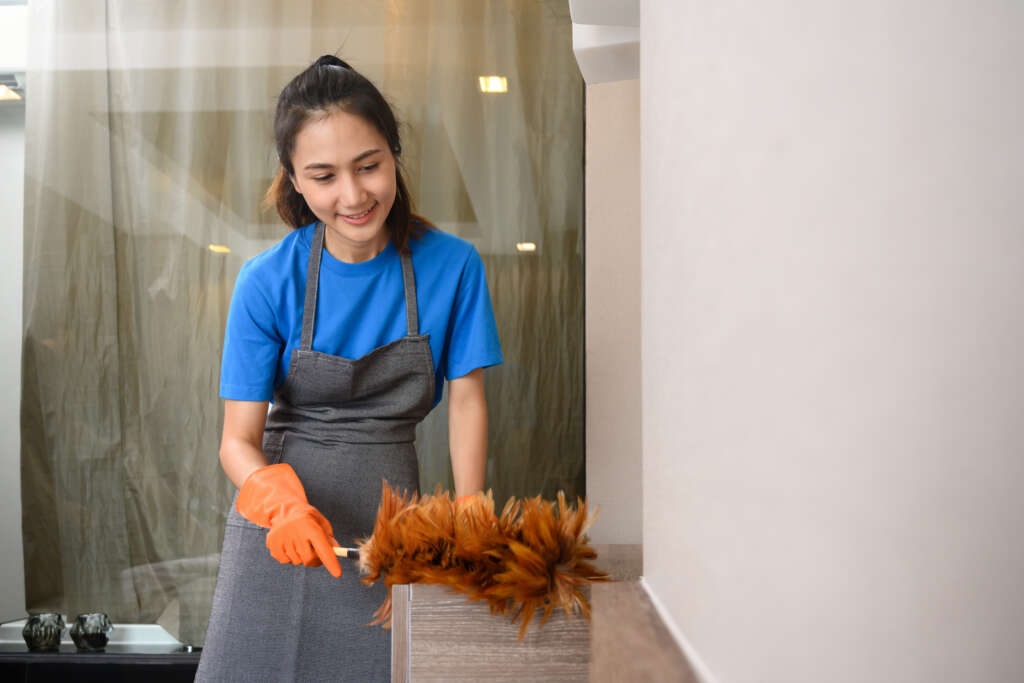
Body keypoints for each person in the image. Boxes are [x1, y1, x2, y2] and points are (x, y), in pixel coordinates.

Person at [195, 55, 503, 681]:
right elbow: (237, 441)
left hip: (391, 529)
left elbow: (467, 399)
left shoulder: (453, 266)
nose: (354, 195)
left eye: (369, 166)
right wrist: (279, 506)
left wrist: (471, 515)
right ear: (294, 181)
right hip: (283, 534)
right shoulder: (266, 281)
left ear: (394, 155)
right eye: (324, 175)